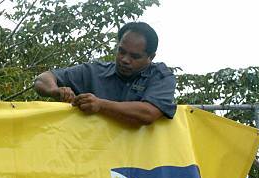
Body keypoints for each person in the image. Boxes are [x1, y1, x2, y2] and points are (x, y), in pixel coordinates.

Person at [33, 22, 176, 126]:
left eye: (135, 56)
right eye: (121, 51)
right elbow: (43, 79)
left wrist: (100, 105)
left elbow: (147, 113)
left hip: (139, 163)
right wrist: (55, 90)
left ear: (151, 57)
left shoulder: (161, 77)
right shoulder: (94, 71)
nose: (125, 59)